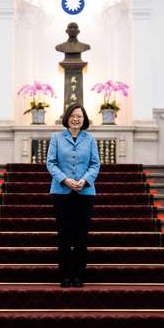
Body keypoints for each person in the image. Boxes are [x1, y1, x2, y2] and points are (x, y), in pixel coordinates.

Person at [46, 103, 100, 287]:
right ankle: (65, 275)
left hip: (85, 193)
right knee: (64, 234)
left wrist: (84, 180)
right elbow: (51, 163)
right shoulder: (57, 138)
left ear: (84, 120)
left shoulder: (90, 139)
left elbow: (95, 164)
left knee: (81, 236)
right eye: (73, 116)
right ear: (67, 118)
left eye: (80, 116)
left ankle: (79, 275)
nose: (76, 119)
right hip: (62, 192)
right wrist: (65, 180)